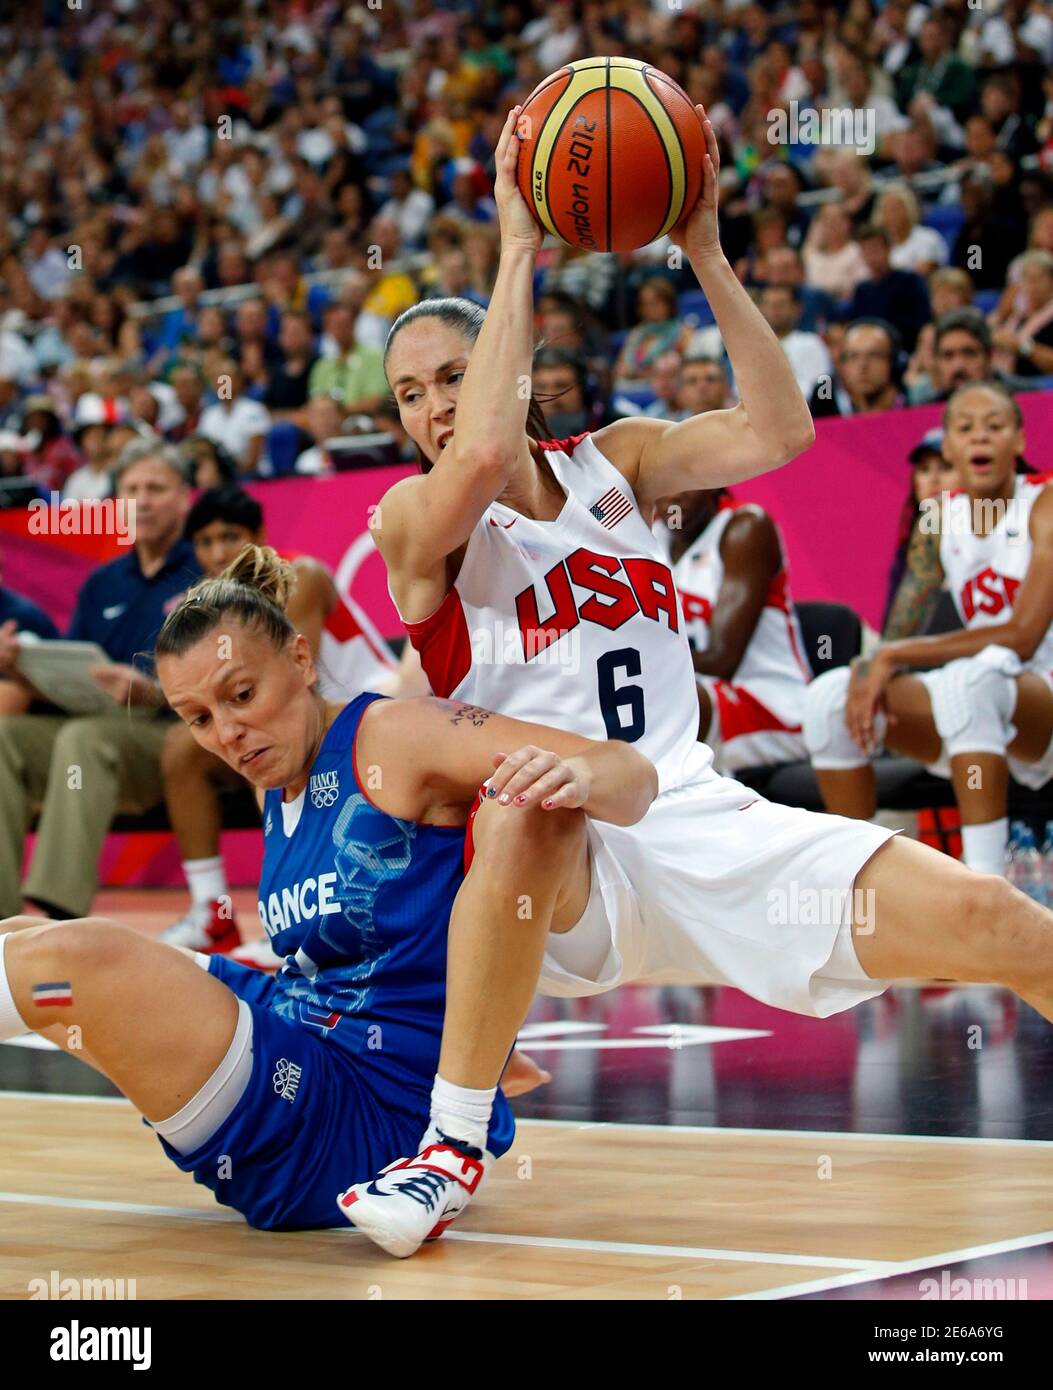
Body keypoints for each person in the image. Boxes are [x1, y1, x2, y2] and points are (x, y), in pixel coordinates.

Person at [344, 107, 1053, 1256]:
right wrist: (517, 242)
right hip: (561, 868)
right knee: (530, 796)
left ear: (509, 366)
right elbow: (476, 455)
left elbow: (782, 431)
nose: (430, 405)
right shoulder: (413, 521)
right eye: (409, 392)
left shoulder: (616, 462)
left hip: (698, 816)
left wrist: (709, 248)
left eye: (452, 375)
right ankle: (450, 1148)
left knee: (996, 919)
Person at [0, 546, 656, 1233]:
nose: (227, 733)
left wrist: (575, 779)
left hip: (362, 1117)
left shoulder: (396, 735)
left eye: (241, 695)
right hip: (299, 1031)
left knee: (79, 963)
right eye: (196, 717)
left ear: (302, 660)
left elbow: (625, 768)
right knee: (25, 936)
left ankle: (438, 1158)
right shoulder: (272, 784)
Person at [804, 382, 1053, 876]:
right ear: (949, 447)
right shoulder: (938, 519)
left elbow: (1024, 635)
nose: (980, 437)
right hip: (988, 699)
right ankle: (864, 884)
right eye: (965, 428)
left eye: (995, 426)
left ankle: (985, 886)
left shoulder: (1044, 503)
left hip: (1040, 697)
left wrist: (894, 657)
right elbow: (898, 636)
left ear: (1019, 442)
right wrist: (870, 666)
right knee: (829, 698)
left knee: (970, 679)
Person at [160, 485, 419, 955]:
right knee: (184, 750)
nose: (217, 551)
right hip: (312, 722)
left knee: (275, 741)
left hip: (370, 706)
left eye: (229, 537)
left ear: (259, 534)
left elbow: (299, 687)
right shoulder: (221, 613)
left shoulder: (301, 577)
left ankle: (303, 914)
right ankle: (212, 914)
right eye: (205, 541)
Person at [0, 441, 200, 919]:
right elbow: (72, 668)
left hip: (169, 732)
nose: (143, 499)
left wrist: (152, 690)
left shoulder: (205, 572)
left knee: (86, 738)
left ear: (184, 498)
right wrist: (21, 666)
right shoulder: (102, 582)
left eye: (156, 488)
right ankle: (4, 919)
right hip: (93, 727)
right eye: (131, 489)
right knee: (5, 734)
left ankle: (57, 911)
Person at [655, 486, 811, 774]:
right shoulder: (649, 536)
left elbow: (721, 659)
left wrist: (645, 668)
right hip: (692, 694)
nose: (674, 494)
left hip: (770, 703)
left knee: (665, 699)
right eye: (664, 481)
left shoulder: (746, 528)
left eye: (684, 479)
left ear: (714, 479)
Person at [881, 427, 962, 631]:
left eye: (945, 467)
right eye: (924, 470)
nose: (933, 479)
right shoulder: (907, 550)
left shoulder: (987, 536)